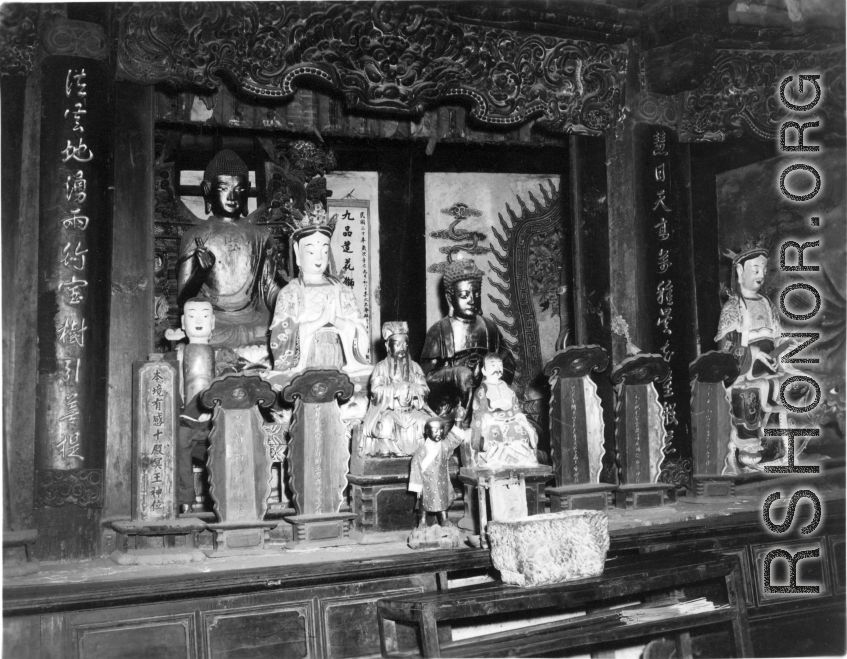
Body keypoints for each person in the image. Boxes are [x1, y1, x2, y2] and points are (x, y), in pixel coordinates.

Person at [174, 149, 282, 353]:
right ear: (207, 190)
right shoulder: (195, 237)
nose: (233, 196)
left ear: (248, 190)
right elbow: (183, 299)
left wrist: (290, 299)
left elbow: (269, 287)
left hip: (256, 324)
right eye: (224, 188)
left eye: (240, 190)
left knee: (279, 330)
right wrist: (201, 272)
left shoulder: (261, 236)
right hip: (215, 325)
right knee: (200, 334)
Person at [716, 239, 810, 473]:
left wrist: (786, 343)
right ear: (740, 271)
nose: (761, 275)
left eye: (764, 270)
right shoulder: (733, 306)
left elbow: (777, 337)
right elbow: (724, 347)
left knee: (799, 386)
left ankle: (778, 451)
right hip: (743, 373)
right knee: (749, 393)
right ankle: (749, 451)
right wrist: (755, 353)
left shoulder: (767, 304)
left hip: (771, 368)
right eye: (755, 269)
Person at [269, 202, 371, 374]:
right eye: (310, 252)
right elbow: (280, 339)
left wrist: (337, 321)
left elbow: (361, 334)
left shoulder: (342, 291)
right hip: (304, 366)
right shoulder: (290, 293)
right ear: (297, 253)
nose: (318, 258)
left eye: (324, 251)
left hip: (339, 361)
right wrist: (319, 322)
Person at [420, 259, 515, 427]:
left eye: (476, 293)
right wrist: (458, 374)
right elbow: (425, 378)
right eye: (464, 295)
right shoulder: (440, 331)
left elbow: (507, 360)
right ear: (450, 298)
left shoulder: (489, 328)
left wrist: (489, 373)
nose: (472, 300)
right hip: (450, 405)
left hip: (488, 400)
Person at [361, 321, 434, 457]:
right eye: (398, 344)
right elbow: (376, 390)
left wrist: (412, 389)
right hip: (391, 411)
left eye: (405, 344)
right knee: (386, 423)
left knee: (426, 423)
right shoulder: (381, 367)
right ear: (388, 345)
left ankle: (422, 453)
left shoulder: (415, 367)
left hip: (412, 412)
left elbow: (425, 389)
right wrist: (395, 389)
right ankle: (386, 453)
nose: (403, 348)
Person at [470, 353, 539, 468]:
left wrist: (519, 417)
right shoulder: (481, 391)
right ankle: (492, 459)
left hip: (512, 418)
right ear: (484, 371)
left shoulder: (508, 389)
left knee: (521, 428)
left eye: (500, 365)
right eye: (493, 366)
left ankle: (523, 458)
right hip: (494, 420)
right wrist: (486, 417)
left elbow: (516, 407)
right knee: (495, 430)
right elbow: (478, 411)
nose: (497, 369)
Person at [408, 417, 464, 529]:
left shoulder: (444, 446)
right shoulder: (421, 451)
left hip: (442, 480)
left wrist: (458, 418)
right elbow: (415, 467)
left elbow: (454, 438)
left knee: (442, 500)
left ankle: (444, 520)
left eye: (441, 430)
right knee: (424, 502)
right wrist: (417, 486)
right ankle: (422, 522)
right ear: (427, 432)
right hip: (426, 482)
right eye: (435, 431)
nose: (438, 433)